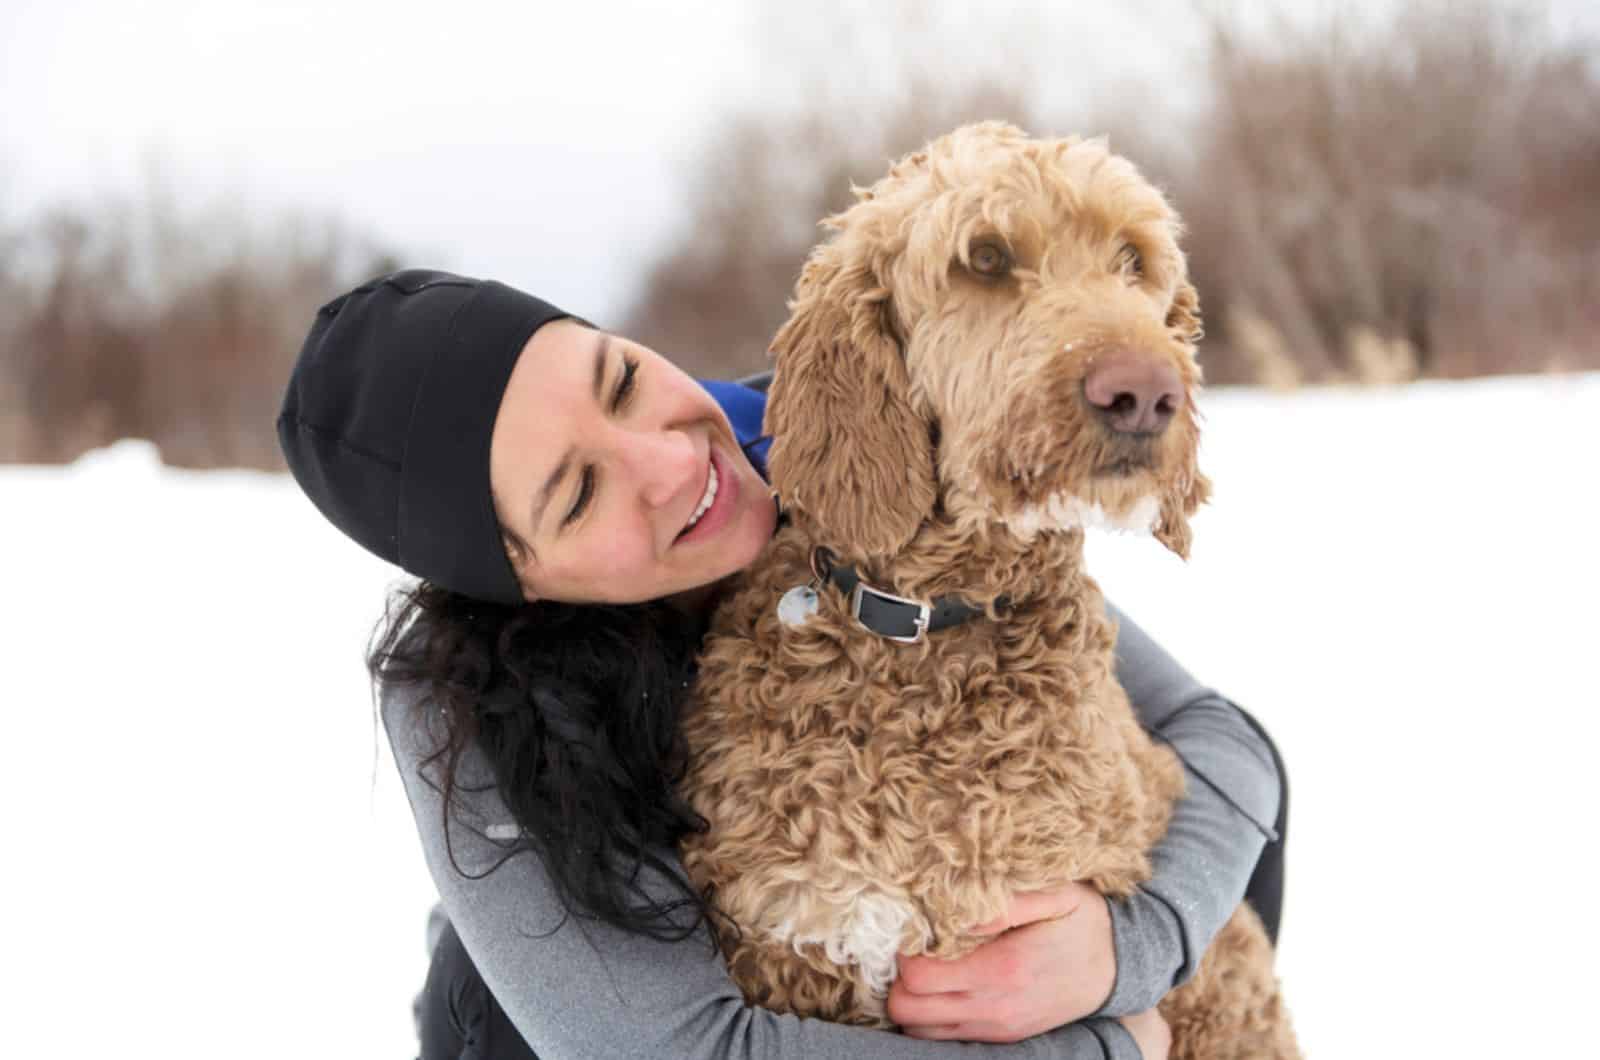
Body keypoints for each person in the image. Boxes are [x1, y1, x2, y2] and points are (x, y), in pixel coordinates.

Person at [278, 269, 1287, 1060]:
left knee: (1202, 838)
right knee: (497, 1009)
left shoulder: (837, 445)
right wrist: (1101, 1051)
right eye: (579, 493)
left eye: (623, 380)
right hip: (625, 1021)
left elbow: (1222, 742)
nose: (673, 462)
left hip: (902, 960)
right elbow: (651, 1046)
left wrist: (1131, 950)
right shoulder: (451, 698)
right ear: (516, 584)